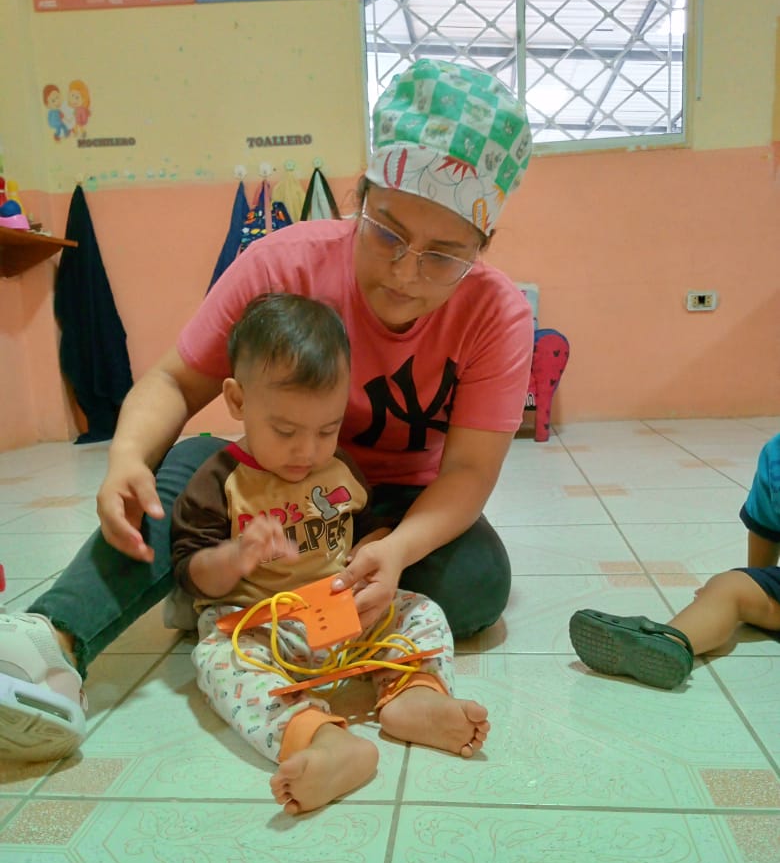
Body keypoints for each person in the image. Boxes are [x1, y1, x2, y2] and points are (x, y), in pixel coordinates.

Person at [0, 57, 534, 764]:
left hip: (387, 505)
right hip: (264, 487)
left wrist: (398, 549)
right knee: (182, 474)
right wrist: (126, 457)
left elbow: (468, 471)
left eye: (443, 257)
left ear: (482, 247)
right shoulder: (285, 263)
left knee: (476, 582)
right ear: (361, 196)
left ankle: (249, 603)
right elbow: (173, 381)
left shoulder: (496, 314)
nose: (406, 274)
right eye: (387, 233)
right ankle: (49, 641)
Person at [171, 291, 489, 814]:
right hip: (259, 628)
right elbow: (191, 573)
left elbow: (368, 528)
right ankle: (320, 738)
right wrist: (237, 556)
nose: (308, 450)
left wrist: (371, 555)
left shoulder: (338, 469)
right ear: (238, 400)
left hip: (341, 613)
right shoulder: (219, 481)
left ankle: (414, 695)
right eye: (285, 431)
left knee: (422, 612)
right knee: (214, 660)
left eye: (327, 429)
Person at [569, 433, 780, 690]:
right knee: (729, 586)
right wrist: (754, 588)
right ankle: (665, 644)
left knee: (731, 588)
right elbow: (764, 530)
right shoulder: (775, 454)